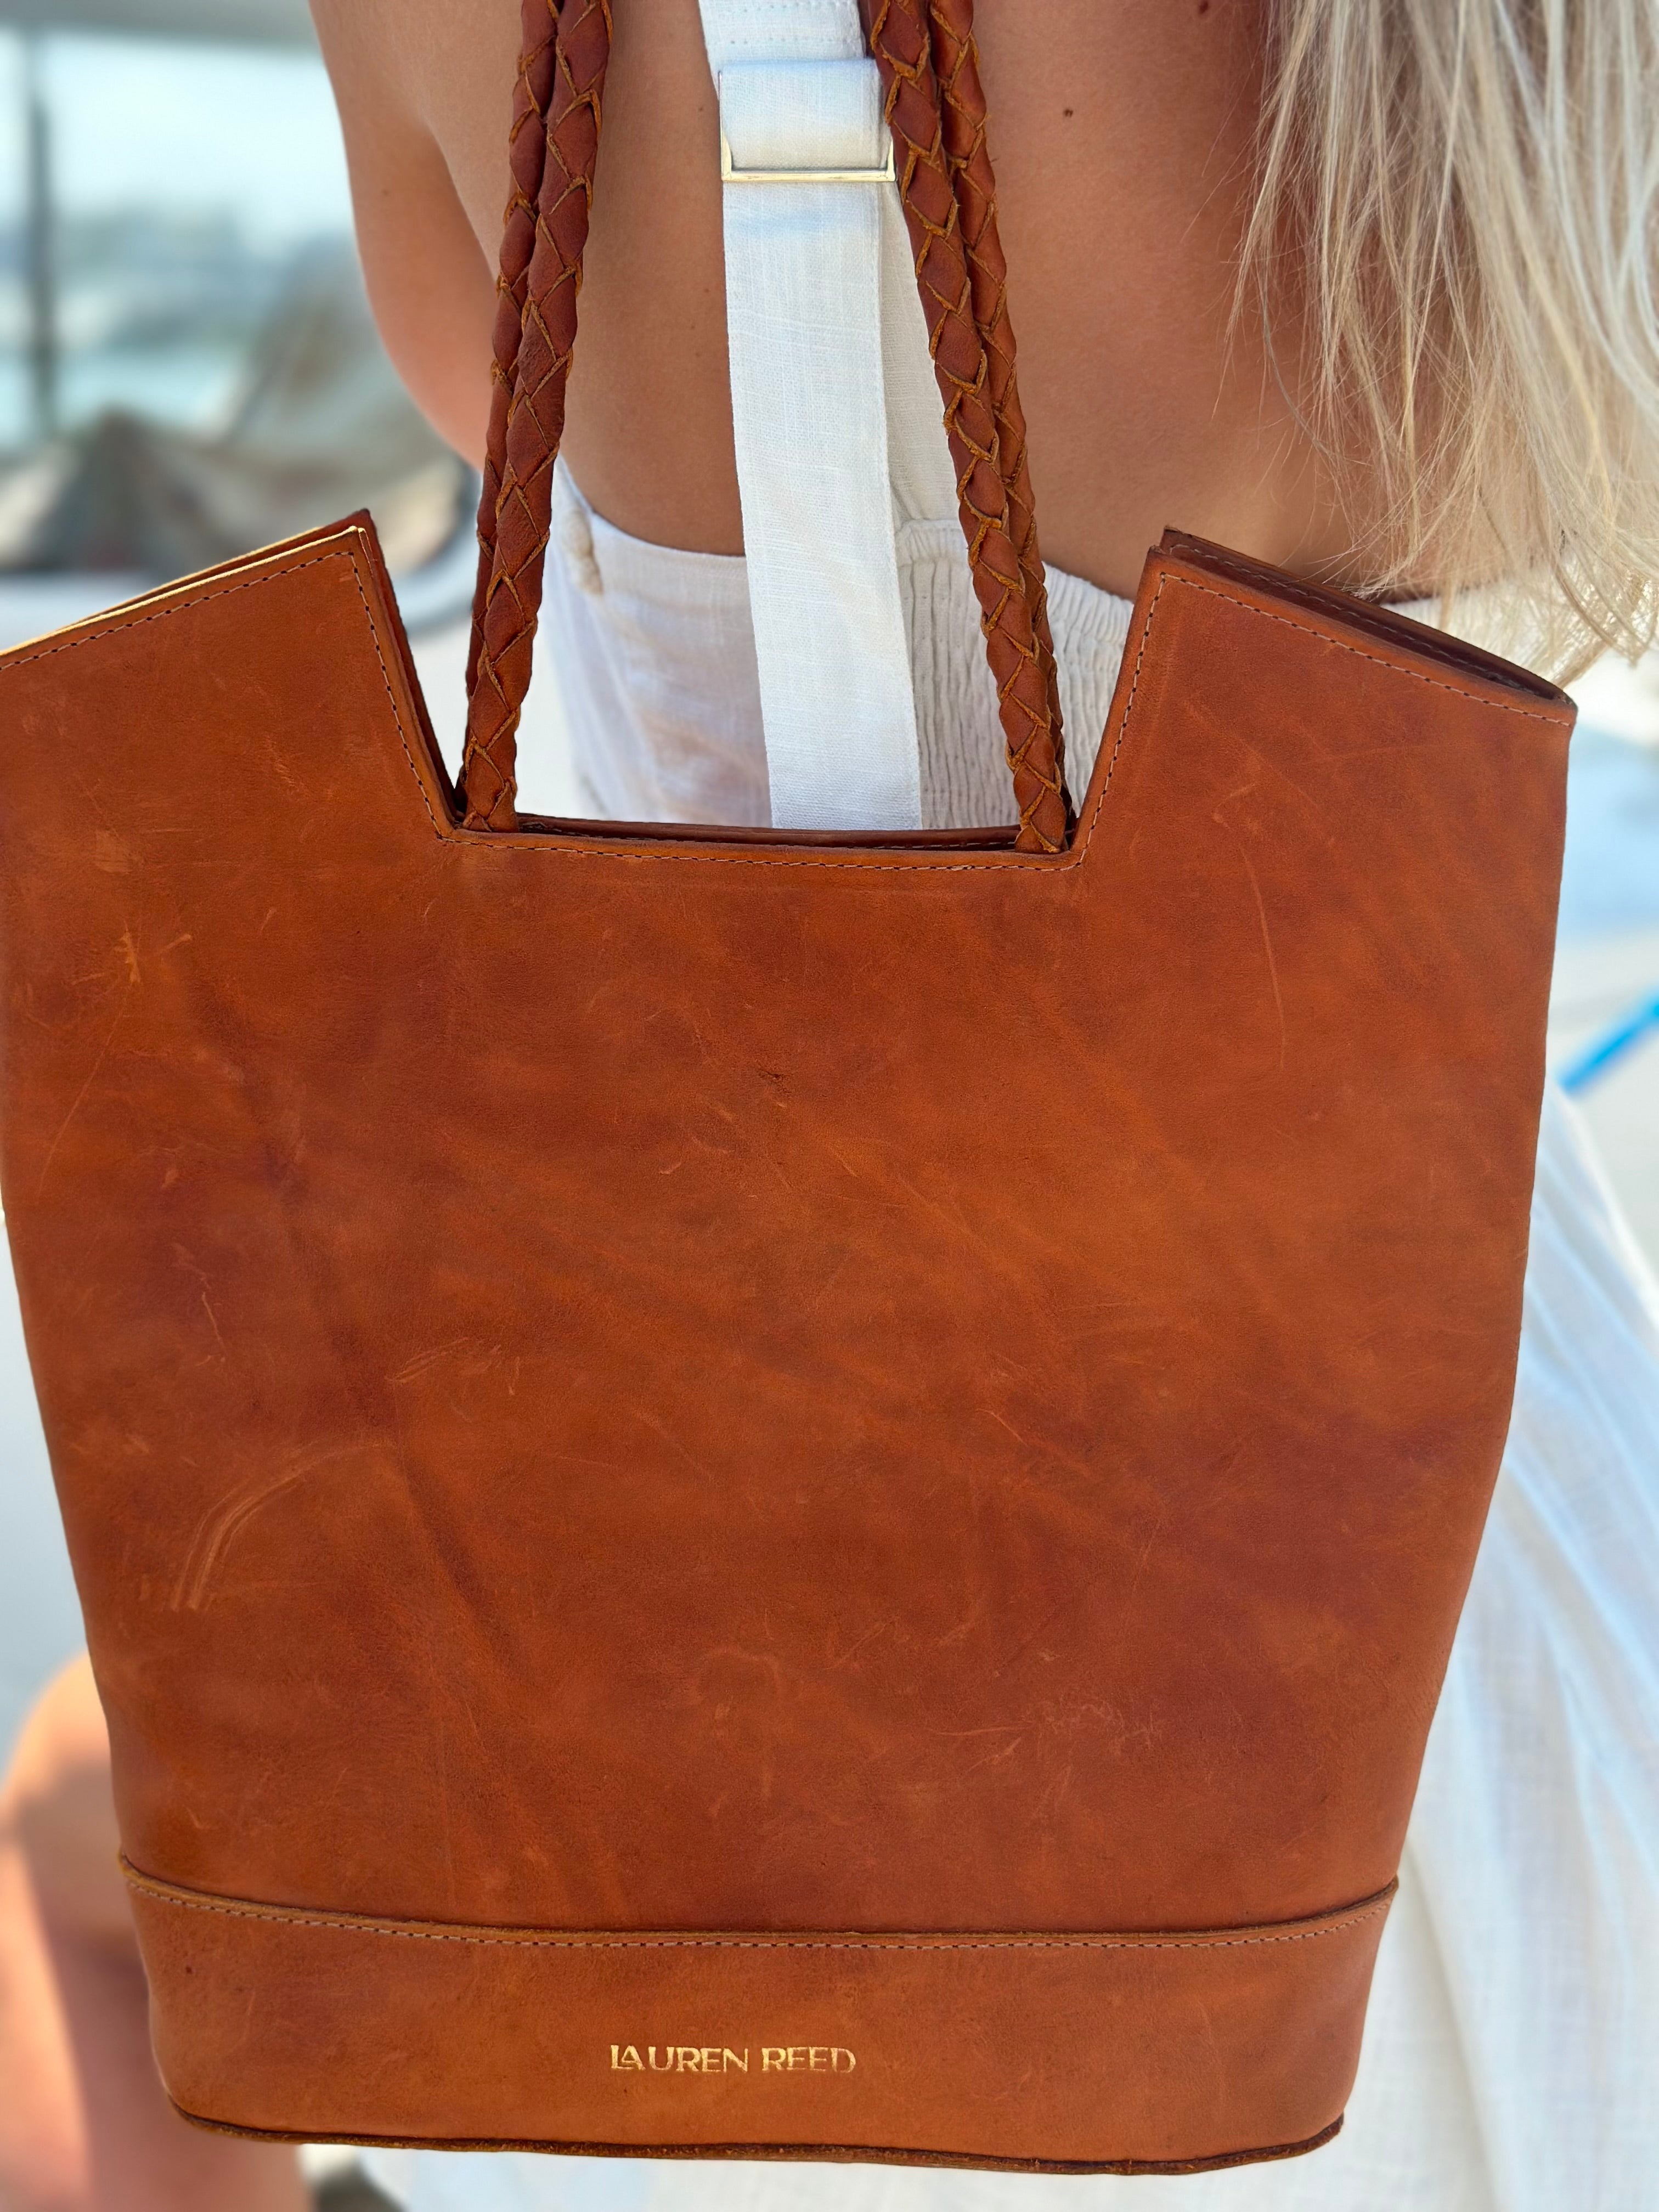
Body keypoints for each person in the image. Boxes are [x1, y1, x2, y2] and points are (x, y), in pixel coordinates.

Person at [3, 2, 1657, 2207]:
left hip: (613, 1567)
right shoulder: (1478, 63)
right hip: (1338, 1579)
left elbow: (482, 352)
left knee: (84, 1842)